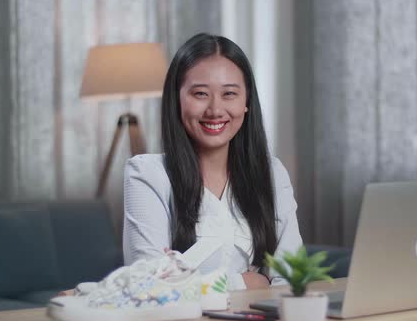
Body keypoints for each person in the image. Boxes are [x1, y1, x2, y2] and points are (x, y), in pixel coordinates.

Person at [122, 33, 302, 290]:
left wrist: (190, 284)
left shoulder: (271, 172)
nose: (215, 109)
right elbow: (150, 285)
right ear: (177, 100)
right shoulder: (147, 174)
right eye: (200, 94)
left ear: (246, 102)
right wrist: (244, 282)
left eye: (229, 93)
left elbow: (292, 277)